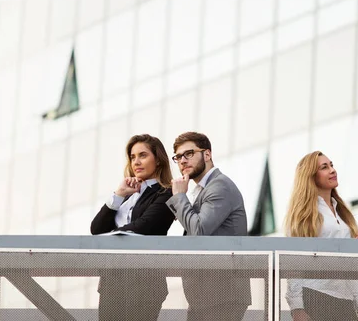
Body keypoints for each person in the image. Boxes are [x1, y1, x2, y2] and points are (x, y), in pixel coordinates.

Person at [165, 132, 250, 321]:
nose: (182, 161)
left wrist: (179, 197)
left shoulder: (219, 186)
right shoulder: (202, 190)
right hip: (205, 294)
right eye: (178, 157)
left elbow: (199, 230)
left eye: (189, 154)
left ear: (207, 154)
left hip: (222, 293)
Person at [90, 134, 175, 321]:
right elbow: (96, 230)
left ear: (158, 160)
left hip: (145, 281)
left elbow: (143, 226)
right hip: (113, 281)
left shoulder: (166, 192)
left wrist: (112, 235)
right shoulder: (127, 196)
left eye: (143, 155)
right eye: (132, 157)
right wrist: (118, 195)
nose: (136, 161)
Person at [284, 151, 358, 321]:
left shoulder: (342, 213)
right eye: (324, 167)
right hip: (315, 295)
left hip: (345, 299)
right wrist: (297, 307)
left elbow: (349, 263)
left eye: (332, 165)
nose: (332, 170)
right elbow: (293, 262)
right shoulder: (304, 215)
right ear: (311, 176)